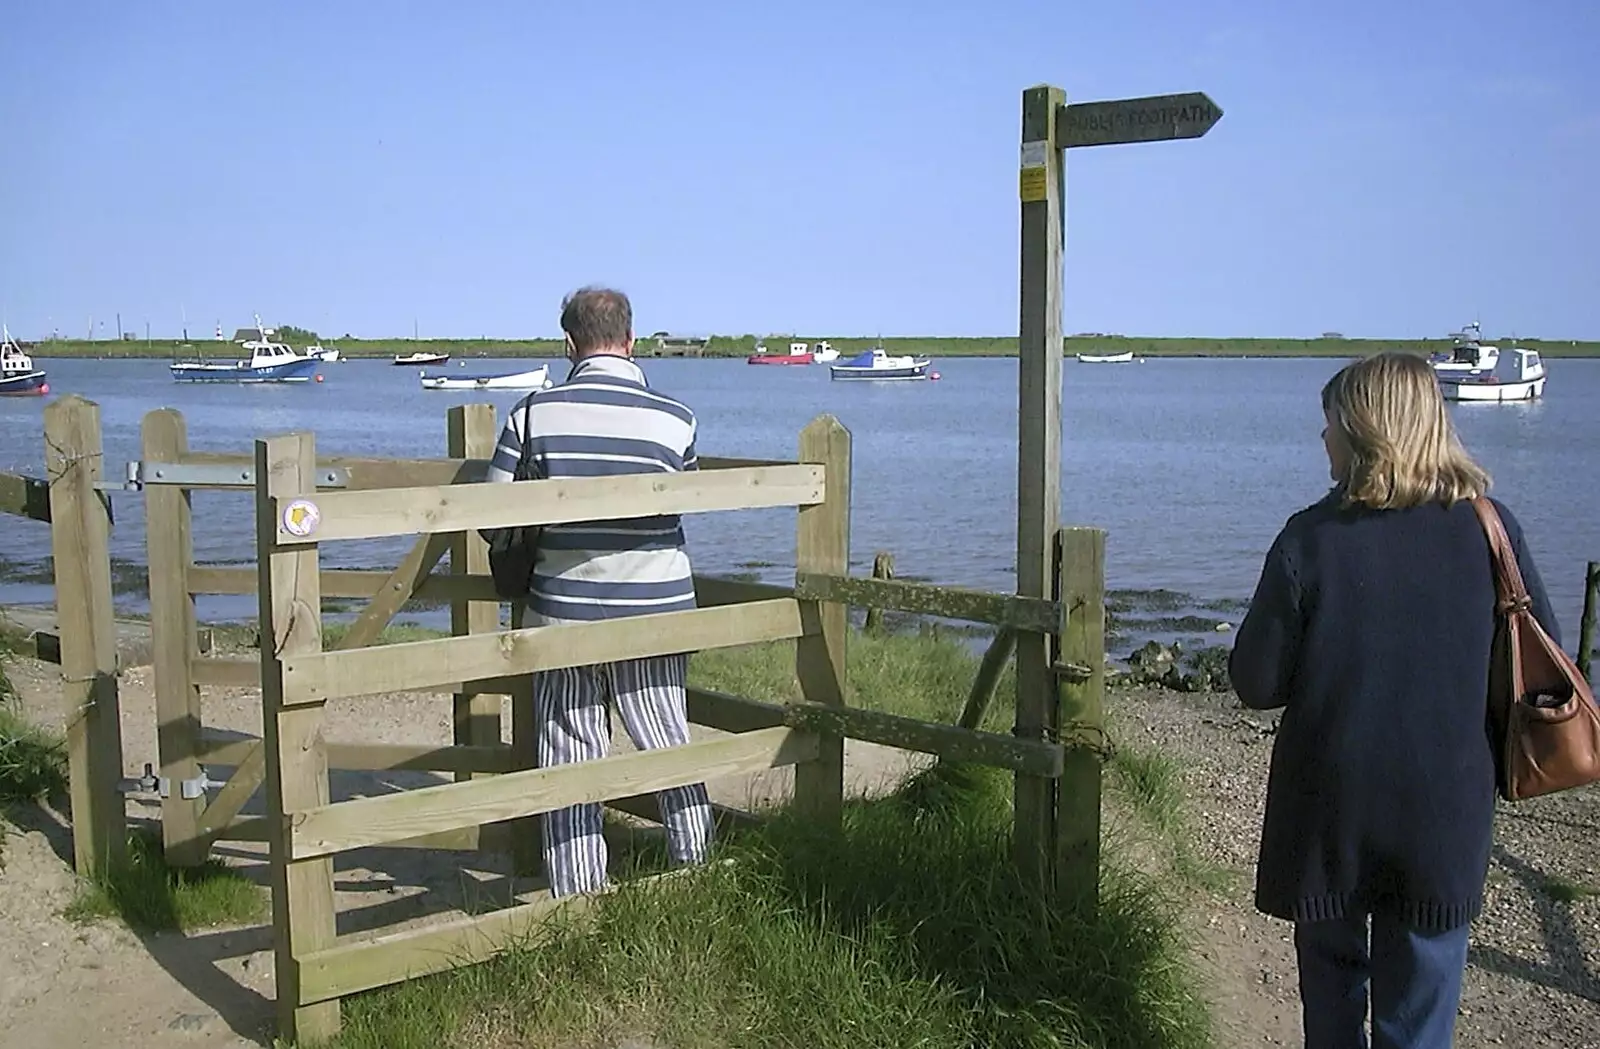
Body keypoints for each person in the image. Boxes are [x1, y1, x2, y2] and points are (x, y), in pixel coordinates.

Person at [1229, 351, 1560, 1049]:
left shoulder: (1310, 537)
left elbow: (1255, 682)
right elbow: (1546, 672)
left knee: (1333, 1008)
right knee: (1418, 1021)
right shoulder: (1491, 529)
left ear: (1367, 431)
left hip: (1330, 814)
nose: (1323, 437)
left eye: (1332, 422)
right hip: (1444, 812)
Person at [486, 286, 713, 897]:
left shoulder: (532, 414)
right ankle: (697, 873)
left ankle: (578, 895)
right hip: (659, 610)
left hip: (564, 612)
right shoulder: (676, 418)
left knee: (569, 750)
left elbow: (491, 517)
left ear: (569, 342)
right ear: (631, 340)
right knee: (668, 739)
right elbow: (689, 502)